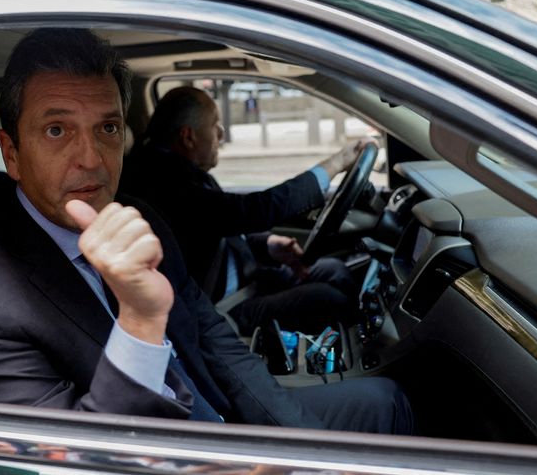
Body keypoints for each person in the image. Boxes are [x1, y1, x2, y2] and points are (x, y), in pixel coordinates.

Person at [0, 28, 411, 433]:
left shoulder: (138, 214)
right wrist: (139, 320)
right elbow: (72, 459)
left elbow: (214, 340)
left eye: (107, 128)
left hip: (227, 423)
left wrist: (298, 441)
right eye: (57, 130)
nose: (90, 159)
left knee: (387, 399)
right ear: (12, 154)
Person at [121, 86, 362, 334]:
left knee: (335, 270)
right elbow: (249, 211)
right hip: (218, 309)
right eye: (215, 125)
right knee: (329, 300)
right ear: (188, 137)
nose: (221, 135)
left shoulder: (182, 171)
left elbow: (218, 224)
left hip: (246, 281)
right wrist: (335, 164)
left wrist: (267, 245)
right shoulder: (162, 181)